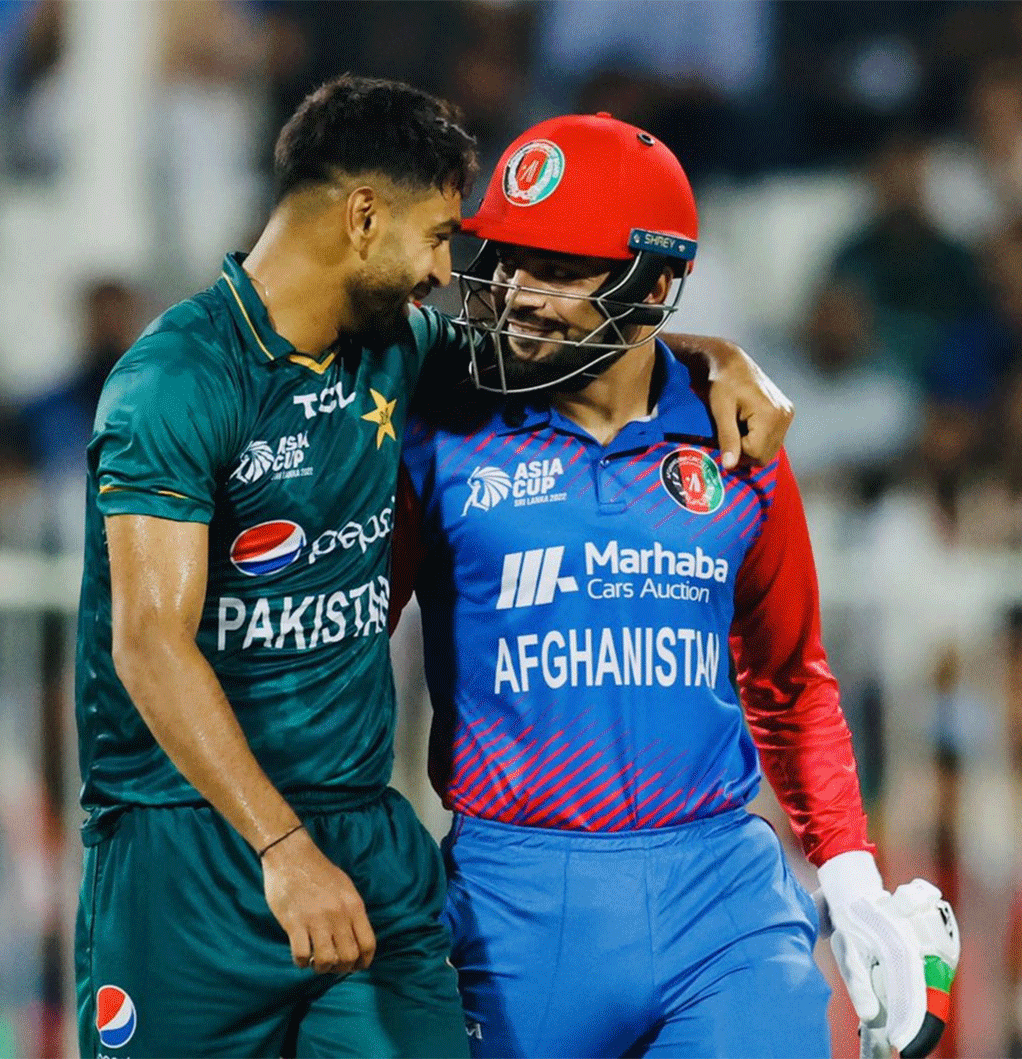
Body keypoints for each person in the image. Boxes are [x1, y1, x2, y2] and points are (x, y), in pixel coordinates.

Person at [73, 77, 793, 1059]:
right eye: (441, 234)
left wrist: (717, 360)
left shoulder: (398, 348)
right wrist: (283, 851)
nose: (451, 269)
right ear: (363, 216)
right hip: (190, 849)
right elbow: (150, 647)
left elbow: (583, 346)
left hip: (359, 837)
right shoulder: (176, 381)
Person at [391, 113, 960, 1059]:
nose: (517, 293)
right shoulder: (437, 431)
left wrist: (853, 883)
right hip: (508, 904)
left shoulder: (742, 445)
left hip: (723, 907)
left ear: (654, 282)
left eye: (561, 269)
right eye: (509, 258)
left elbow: (790, 679)